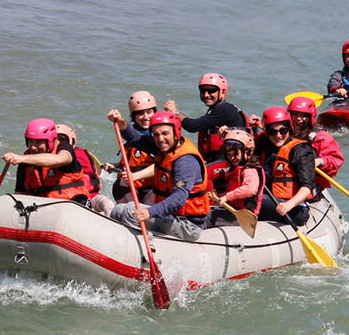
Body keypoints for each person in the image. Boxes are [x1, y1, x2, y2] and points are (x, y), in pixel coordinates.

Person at [107, 109, 210, 241]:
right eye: (156, 134)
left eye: (165, 133)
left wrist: (150, 212)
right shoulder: (164, 147)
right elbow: (135, 138)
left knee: (130, 211)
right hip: (170, 216)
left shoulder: (185, 163)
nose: (160, 139)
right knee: (118, 210)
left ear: (176, 133)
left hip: (187, 225)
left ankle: (147, 247)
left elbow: (178, 198)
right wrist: (120, 120)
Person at [1, 118, 91, 204]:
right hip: (43, 210)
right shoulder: (25, 163)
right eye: (30, 141)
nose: (33, 147)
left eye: (38, 142)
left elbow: (60, 159)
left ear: (51, 141)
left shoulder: (64, 148)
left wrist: (21, 159)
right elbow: (20, 194)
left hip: (71, 204)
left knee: (81, 200)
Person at [96, 90, 159, 213]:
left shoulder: (158, 135)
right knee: (120, 184)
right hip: (133, 186)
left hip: (152, 186)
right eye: (140, 113)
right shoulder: (132, 137)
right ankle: (129, 215)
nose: (146, 117)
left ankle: (147, 219)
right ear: (134, 116)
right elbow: (130, 160)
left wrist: (120, 120)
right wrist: (115, 165)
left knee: (153, 198)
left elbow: (131, 134)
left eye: (149, 112)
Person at [165, 73, 248, 164]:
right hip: (217, 159)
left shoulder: (225, 110)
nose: (206, 95)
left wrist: (175, 112)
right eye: (203, 91)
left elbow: (192, 126)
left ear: (222, 92)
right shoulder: (216, 110)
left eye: (211, 91)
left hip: (228, 161)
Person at [256, 107, 316, 227]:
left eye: (283, 130)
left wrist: (289, 204)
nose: (278, 136)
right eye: (273, 132)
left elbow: (307, 187)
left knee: (251, 201)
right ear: (267, 132)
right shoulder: (264, 145)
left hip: (294, 209)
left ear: (290, 129)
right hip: (270, 199)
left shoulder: (301, 150)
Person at [207, 127, 264, 225]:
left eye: (235, 154)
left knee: (207, 217)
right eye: (229, 154)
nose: (232, 158)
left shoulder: (250, 169)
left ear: (247, 152)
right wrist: (217, 197)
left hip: (243, 215)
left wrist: (226, 197)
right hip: (234, 209)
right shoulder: (237, 168)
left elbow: (250, 189)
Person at [287, 96, 344, 195]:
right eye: (295, 114)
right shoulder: (284, 132)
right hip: (287, 178)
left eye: (303, 115)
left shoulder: (321, 137)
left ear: (310, 117)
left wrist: (319, 161)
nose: (298, 119)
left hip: (311, 183)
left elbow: (336, 160)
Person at [55, 124, 101, 200]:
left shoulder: (79, 155)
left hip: (86, 197)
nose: (59, 143)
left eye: (62, 140)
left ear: (72, 141)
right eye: (56, 140)